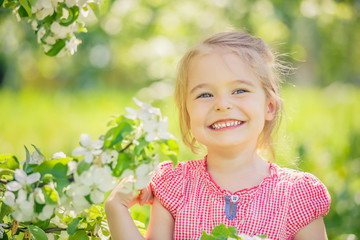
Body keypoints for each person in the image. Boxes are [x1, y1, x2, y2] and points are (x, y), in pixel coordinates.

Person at [105, 31, 331, 240]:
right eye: (205, 94)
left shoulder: (297, 195)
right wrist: (116, 208)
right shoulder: (174, 186)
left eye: (239, 91)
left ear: (269, 106)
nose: (222, 104)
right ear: (187, 115)